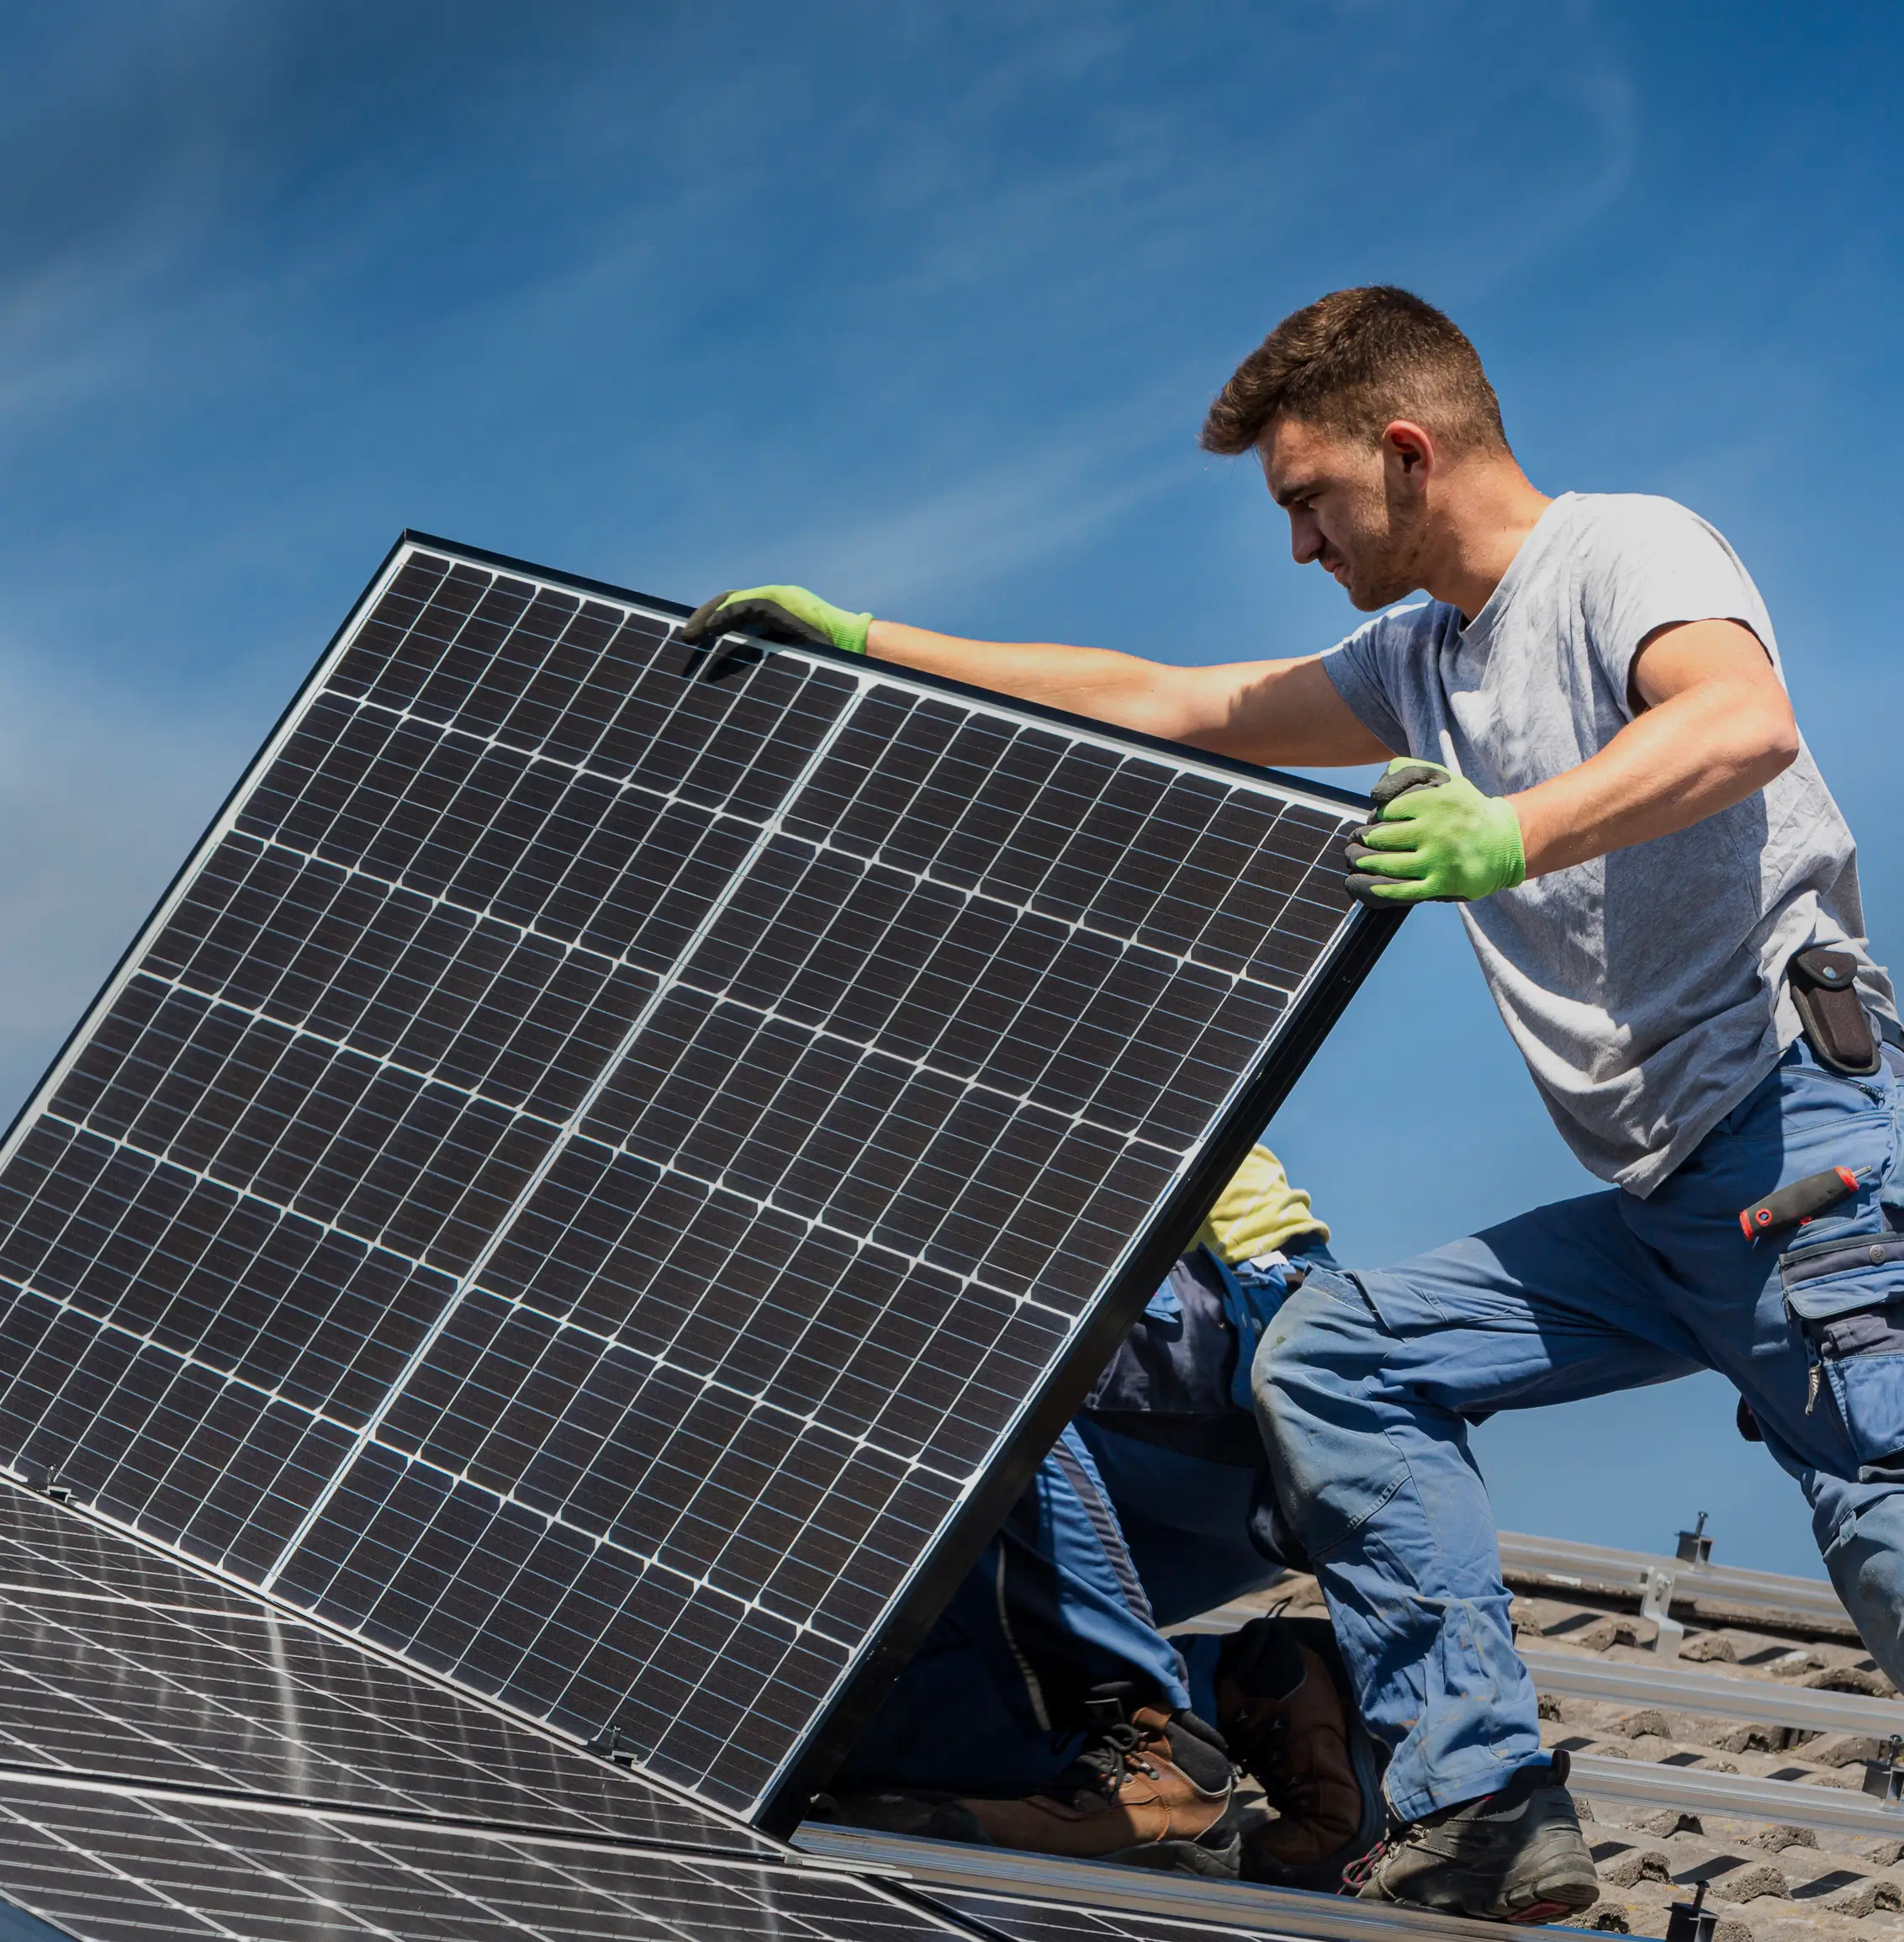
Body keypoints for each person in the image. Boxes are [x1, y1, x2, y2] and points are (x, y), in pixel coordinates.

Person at [680, 284, 1902, 1925]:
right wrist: (867, 641)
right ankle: (1479, 1799)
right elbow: (1174, 700)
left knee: (1880, 1525)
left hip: (1795, 1155)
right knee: (1336, 1352)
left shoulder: (1624, 552)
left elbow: (1740, 721)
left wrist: (1509, 834)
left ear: (1404, 454)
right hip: (1652, 1198)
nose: (1301, 546)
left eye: (1309, 501)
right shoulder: (1420, 660)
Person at [823, 1145, 1383, 1889]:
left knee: (931, 1329)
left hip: (1231, 1346)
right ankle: (1254, 1688)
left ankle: (1143, 1732)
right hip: (1098, 1470)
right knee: (813, 1719)